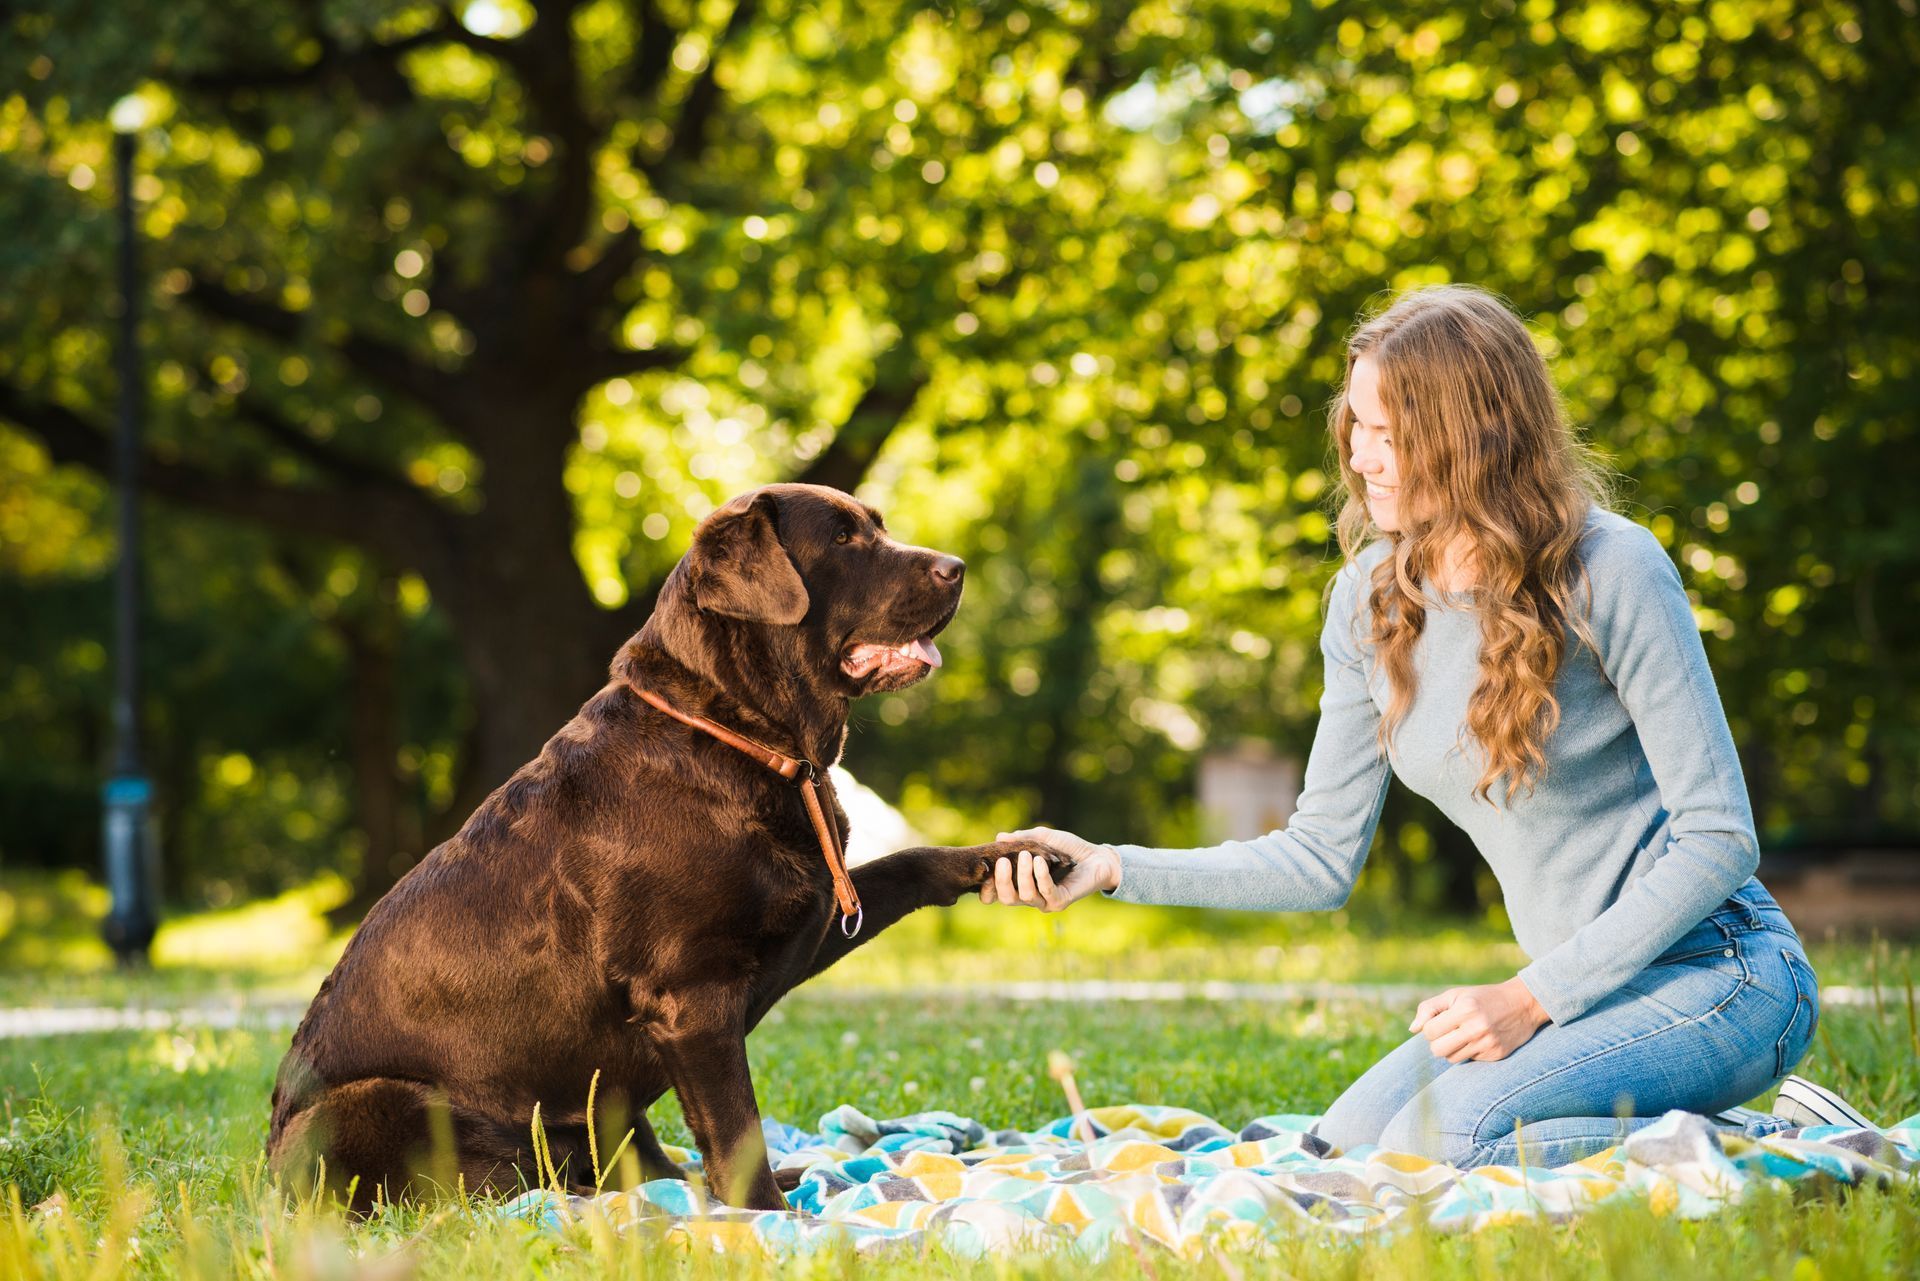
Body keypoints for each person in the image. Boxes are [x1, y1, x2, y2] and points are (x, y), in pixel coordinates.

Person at [981, 284, 1879, 1167]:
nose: (1363, 458)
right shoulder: (1370, 599)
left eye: (1391, 433)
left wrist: (1531, 997)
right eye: (1356, 428)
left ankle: (1797, 1146)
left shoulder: (1613, 567)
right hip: (1584, 998)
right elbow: (1318, 859)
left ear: (1473, 435)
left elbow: (1721, 839)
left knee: (1449, 1137)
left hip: (1723, 975)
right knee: (1343, 1150)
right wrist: (1108, 867)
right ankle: (1747, 1138)